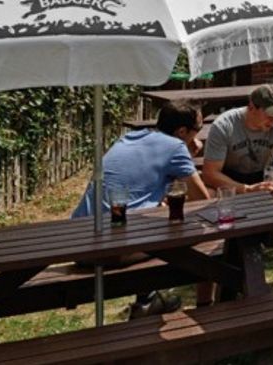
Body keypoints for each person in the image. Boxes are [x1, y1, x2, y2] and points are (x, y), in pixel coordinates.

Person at [73, 100, 210, 317]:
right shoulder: (176, 147)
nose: (199, 136)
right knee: (194, 236)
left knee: (152, 220)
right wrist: (187, 154)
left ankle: (148, 300)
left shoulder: (129, 137)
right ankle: (150, 303)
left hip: (77, 240)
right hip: (109, 250)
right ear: (182, 131)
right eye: (198, 130)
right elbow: (202, 199)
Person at [200, 85, 273, 287]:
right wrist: (245, 189)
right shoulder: (225, 125)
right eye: (270, 115)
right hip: (229, 179)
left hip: (265, 175)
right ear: (252, 107)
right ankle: (213, 264)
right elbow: (210, 173)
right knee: (207, 197)